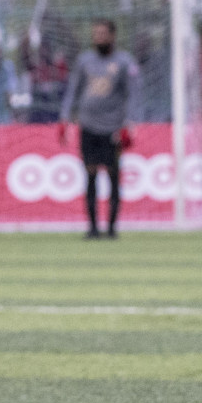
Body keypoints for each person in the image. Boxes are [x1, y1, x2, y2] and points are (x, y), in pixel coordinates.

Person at [59, 19, 141, 240]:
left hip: (113, 128)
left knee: (113, 175)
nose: (99, 38)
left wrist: (129, 124)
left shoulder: (124, 62)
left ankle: (112, 228)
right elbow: (73, 90)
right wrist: (65, 118)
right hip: (88, 126)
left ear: (113, 36)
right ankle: (93, 227)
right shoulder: (85, 61)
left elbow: (132, 95)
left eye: (103, 33)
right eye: (95, 33)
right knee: (90, 174)